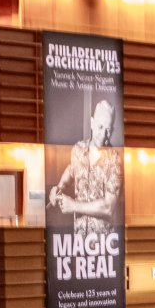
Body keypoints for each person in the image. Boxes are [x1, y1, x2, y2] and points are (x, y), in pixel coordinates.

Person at [49, 98, 122, 237]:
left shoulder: (115, 160)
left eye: (108, 130)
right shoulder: (78, 149)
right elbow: (70, 171)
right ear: (92, 123)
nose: (104, 135)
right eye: (100, 127)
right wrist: (58, 188)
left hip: (104, 244)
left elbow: (108, 207)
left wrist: (73, 206)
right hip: (79, 240)